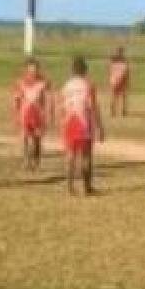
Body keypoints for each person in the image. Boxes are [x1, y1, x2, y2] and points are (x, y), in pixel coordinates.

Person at [59, 56, 104, 196]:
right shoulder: (88, 85)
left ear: (72, 70)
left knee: (70, 156)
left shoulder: (66, 86)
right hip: (84, 122)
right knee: (86, 156)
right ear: (85, 70)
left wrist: (62, 122)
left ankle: (69, 187)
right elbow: (93, 107)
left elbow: (62, 106)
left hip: (69, 122)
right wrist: (100, 126)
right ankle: (87, 187)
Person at [13, 58, 53, 171]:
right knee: (24, 137)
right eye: (31, 69)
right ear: (26, 69)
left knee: (37, 139)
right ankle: (26, 160)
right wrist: (16, 113)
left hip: (38, 114)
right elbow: (17, 98)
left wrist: (49, 113)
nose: (33, 72)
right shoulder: (20, 82)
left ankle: (36, 161)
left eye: (35, 69)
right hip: (25, 113)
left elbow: (49, 98)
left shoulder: (44, 82)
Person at [107, 46, 130, 118]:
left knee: (115, 96)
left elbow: (110, 69)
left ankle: (114, 110)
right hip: (120, 79)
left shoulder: (113, 60)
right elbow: (126, 71)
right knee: (121, 96)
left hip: (114, 79)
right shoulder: (123, 61)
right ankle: (122, 111)